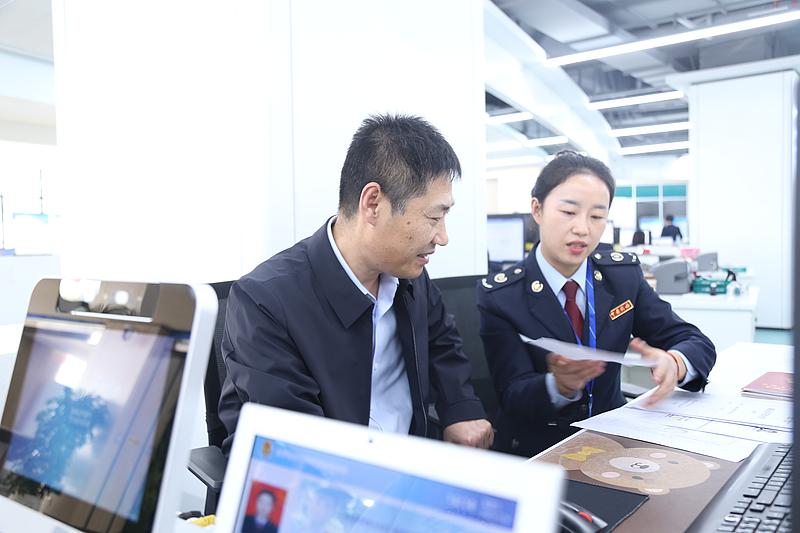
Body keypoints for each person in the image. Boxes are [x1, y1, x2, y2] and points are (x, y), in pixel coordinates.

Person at [218, 113, 493, 454]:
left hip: (407, 462)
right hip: (327, 476)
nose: (443, 237)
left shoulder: (408, 276)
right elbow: (293, 447)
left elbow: (441, 341)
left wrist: (461, 408)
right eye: (434, 217)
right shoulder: (265, 301)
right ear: (373, 204)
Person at [476, 150, 715, 458]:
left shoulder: (622, 277)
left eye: (597, 216)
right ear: (537, 210)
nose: (583, 229)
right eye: (568, 212)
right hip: (540, 449)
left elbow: (694, 340)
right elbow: (512, 395)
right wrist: (558, 386)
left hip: (613, 440)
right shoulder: (502, 296)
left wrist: (676, 362)